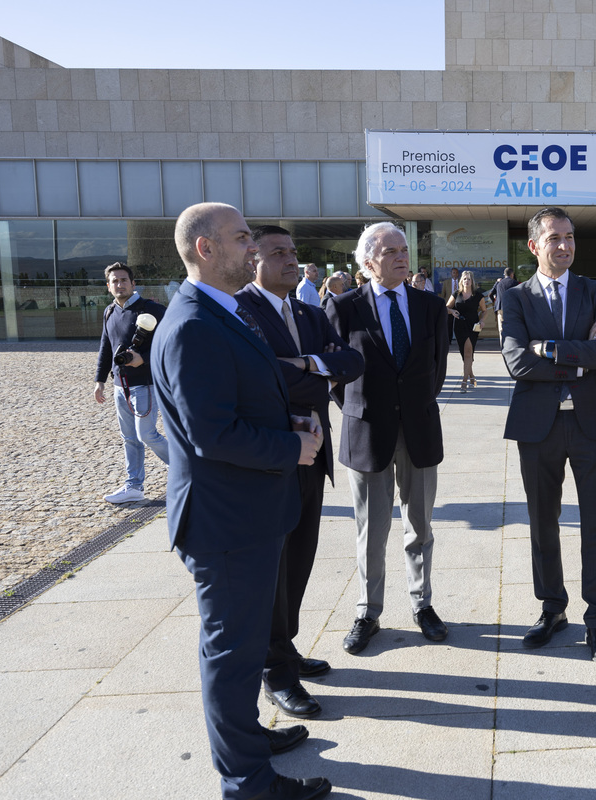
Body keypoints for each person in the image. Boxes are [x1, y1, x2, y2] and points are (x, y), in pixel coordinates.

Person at [151, 202, 329, 800]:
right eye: (241, 237)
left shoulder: (221, 310)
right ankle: (246, 781)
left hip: (246, 513)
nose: (252, 246)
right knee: (231, 655)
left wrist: (289, 421)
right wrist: (292, 446)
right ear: (205, 248)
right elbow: (212, 433)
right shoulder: (194, 324)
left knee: (245, 645)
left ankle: (245, 739)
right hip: (226, 522)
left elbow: (241, 398)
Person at [236, 225, 364, 720]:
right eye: (278, 253)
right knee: (273, 569)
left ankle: (284, 647)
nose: (292, 260)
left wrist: (306, 363)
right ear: (253, 260)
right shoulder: (240, 312)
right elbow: (261, 376)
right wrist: (318, 370)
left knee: (300, 561)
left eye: (293, 252)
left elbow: (351, 363)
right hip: (272, 458)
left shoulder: (311, 312)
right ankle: (275, 671)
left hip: (315, 455)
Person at [501, 207, 596, 666]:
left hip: (592, 422)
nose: (565, 246)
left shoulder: (595, 290)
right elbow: (516, 361)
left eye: (570, 237)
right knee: (541, 522)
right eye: (554, 238)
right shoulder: (514, 298)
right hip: (538, 427)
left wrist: (550, 349)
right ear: (534, 245)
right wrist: (580, 356)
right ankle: (552, 608)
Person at [325, 222, 450, 655]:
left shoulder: (430, 307)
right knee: (370, 530)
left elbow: (436, 371)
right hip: (368, 434)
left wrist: (410, 406)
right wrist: (361, 411)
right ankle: (368, 610)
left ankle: (423, 604)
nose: (402, 256)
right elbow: (334, 376)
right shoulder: (342, 307)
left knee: (420, 527)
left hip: (419, 430)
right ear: (367, 261)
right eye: (391, 250)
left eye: (404, 249)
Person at [94, 263, 169, 504]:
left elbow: (170, 346)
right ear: (108, 286)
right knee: (130, 438)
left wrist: (143, 360)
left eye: (124, 280)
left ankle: (190, 469)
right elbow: (106, 348)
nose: (119, 284)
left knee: (146, 434)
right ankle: (133, 486)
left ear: (133, 283)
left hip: (145, 384)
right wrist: (99, 381)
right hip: (119, 387)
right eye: (114, 281)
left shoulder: (152, 310)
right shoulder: (109, 312)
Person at [446, 269, 489, 392]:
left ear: (472, 281)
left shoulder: (478, 295)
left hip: (473, 326)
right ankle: (472, 376)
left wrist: (482, 320)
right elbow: (447, 307)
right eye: (464, 278)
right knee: (464, 354)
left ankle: (464, 382)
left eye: (469, 279)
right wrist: (452, 311)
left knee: (468, 352)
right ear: (461, 281)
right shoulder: (456, 294)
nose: (467, 281)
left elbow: (485, 310)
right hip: (459, 325)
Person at [488, 267, 518, 337]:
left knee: (501, 329)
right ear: (512, 274)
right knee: (512, 328)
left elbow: (490, 294)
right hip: (512, 309)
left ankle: (503, 345)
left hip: (500, 308)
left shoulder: (499, 283)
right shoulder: (515, 283)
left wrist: (495, 303)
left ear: (504, 274)